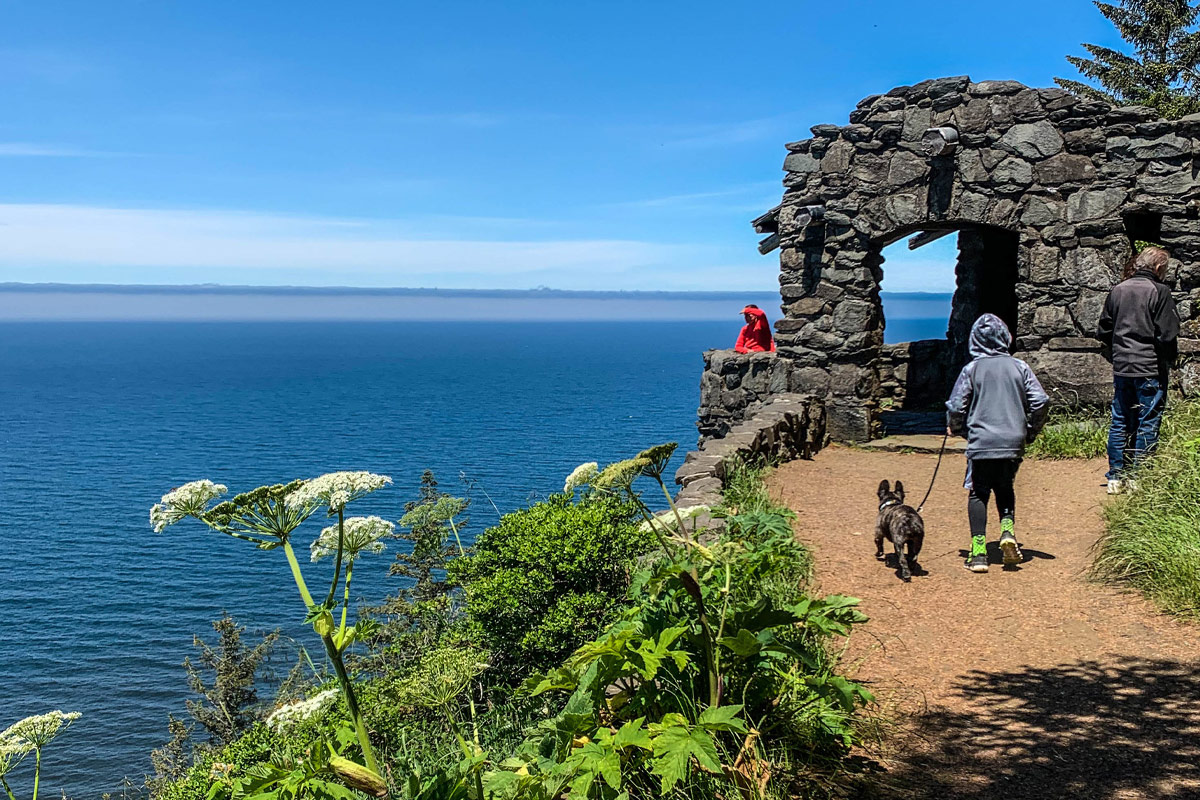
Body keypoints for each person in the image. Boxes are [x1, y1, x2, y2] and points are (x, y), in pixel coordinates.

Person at [946, 314, 1049, 574]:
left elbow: (957, 406)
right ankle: (1007, 532)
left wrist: (958, 429)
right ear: (1005, 338)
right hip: (1012, 440)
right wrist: (1030, 431)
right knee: (1004, 486)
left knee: (978, 491)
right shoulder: (1019, 367)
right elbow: (1041, 402)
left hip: (982, 441)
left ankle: (978, 552)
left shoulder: (972, 369)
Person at [1097, 245, 1180, 494]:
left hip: (1123, 367)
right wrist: (1169, 360)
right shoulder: (1160, 291)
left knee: (1120, 420)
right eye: (1164, 269)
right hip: (1150, 368)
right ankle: (1138, 477)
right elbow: (1167, 334)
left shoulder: (1117, 290)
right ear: (1157, 268)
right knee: (1147, 421)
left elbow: (1103, 330)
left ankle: (1115, 477)